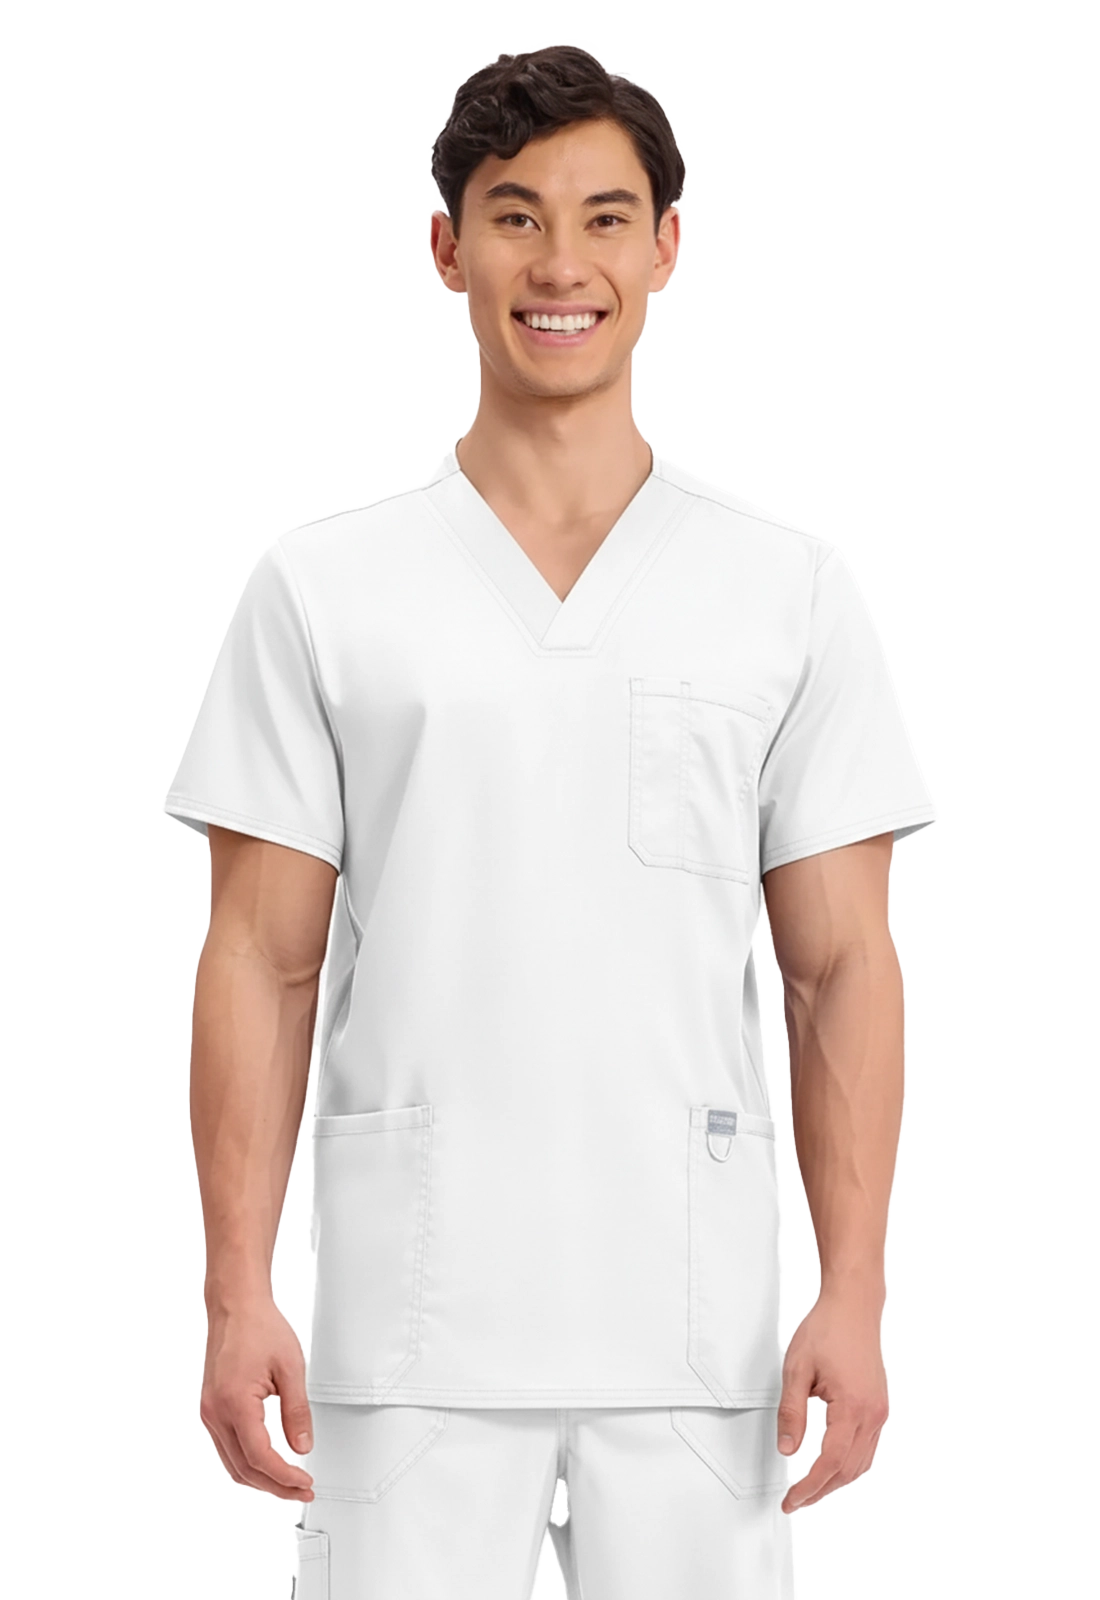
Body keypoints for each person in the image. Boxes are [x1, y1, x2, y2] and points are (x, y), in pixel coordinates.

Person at [161, 43, 939, 1600]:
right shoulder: (325, 589)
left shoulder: (785, 589)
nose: (562, 264)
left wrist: (853, 1290)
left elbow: (840, 966)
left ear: (668, 247)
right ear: (445, 249)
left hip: (699, 1336)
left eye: (605, 217)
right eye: (515, 217)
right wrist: (234, 1292)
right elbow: (258, 957)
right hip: (411, 1333)